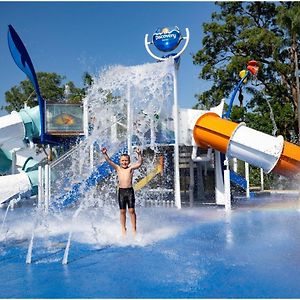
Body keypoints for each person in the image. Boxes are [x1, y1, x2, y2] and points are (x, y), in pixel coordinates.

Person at [101, 147, 143, 236]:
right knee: (122, 211)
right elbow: (109, 161)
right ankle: (123, 229)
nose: (124, 162)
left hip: (129, 191)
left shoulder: (130, 168)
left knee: (131, 210)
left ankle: (134, 228)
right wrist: (105, 154)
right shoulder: (118, 168)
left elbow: (139, 163)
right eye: (123, 161)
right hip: (121, 192)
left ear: (129, 161)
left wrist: (139, 154)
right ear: (120, 161)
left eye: (126, 161)